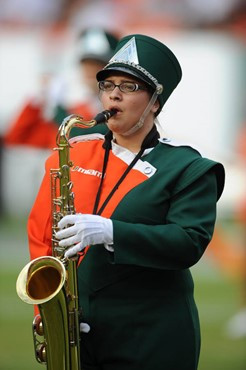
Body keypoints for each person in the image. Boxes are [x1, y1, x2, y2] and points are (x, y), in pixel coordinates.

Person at [28, 34, 225, 369]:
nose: (113, 94)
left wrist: (112, 232)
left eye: (130, 86)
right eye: (107, 84)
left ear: (155, 102)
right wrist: (48, 311)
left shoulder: (189, 168)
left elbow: (188, 243)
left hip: (151, 339)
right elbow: (42, 234)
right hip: (78, 336)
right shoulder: (73, 151)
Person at [4, 27, 119, 149]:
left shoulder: (120, 108)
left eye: (98, 64)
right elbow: (16, 137)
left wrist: (56, 109)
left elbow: (82, 135)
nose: (90, 71)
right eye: (86, 64)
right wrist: (36, 101)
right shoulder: (76, 109)